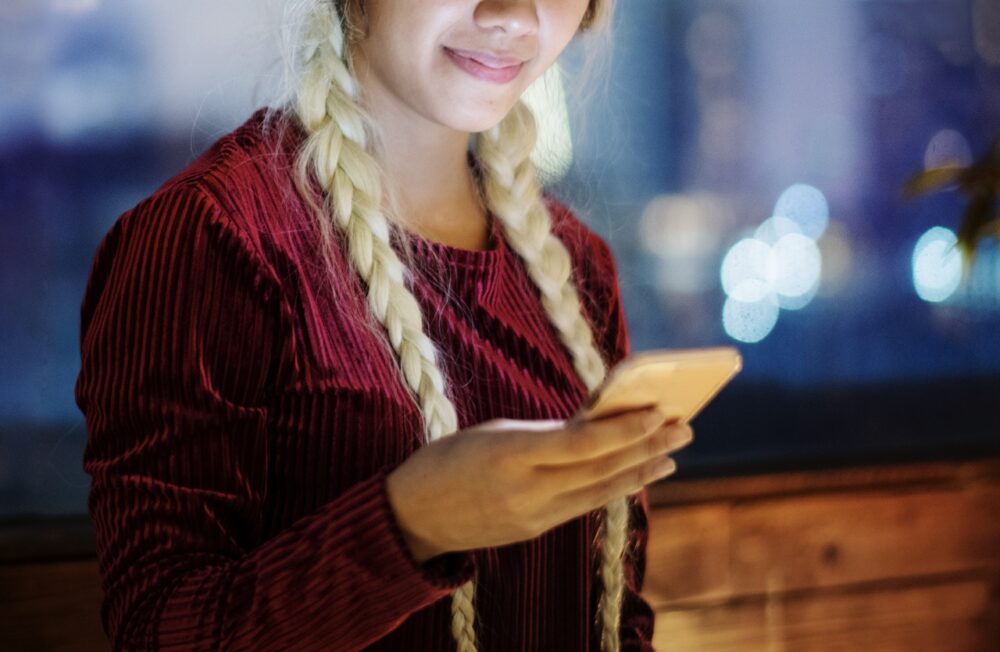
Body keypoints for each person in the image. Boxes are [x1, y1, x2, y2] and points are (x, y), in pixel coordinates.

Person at [74, 1, 694, 650]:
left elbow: (616, 618)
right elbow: (160, 631)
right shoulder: (212, 236)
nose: (513, 15)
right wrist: (413, 522)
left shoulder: (577, 265)